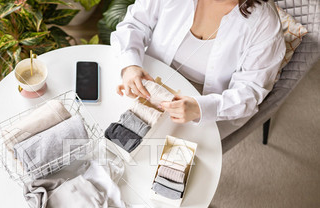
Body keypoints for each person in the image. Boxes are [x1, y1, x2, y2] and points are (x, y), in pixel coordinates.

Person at [111, 0, 286, 138]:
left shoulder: (264, 24)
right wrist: (130, 65)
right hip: (149, 80)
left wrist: (200, 108)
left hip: (206, 103)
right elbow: (134, 24)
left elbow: (249, 91)